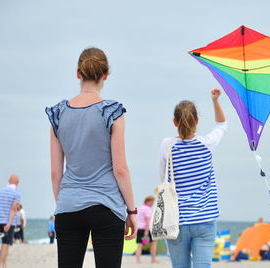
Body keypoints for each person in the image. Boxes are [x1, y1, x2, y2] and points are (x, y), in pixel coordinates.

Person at [45, 47, 137, 268]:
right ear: (105, 75)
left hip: (68, 204)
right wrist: (132, 210)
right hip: (106, 205)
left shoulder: (58, 113)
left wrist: (64, 203)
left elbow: (56, 172)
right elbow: (120, 169)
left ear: (78, 73)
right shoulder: (112, 112)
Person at [159, 89, 226, 267]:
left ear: (175, 122)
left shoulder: (167, 145)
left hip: (176, 220)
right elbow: (221, 124)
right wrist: (215, 100)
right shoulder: (207, 144)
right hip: (205, 219)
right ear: (197, 121)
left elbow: (163, 178)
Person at [0, 174, 21, 268]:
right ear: (17, 183)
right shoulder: (16, 194)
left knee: (5, 246)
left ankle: (4, 265)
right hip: (8, 223)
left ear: (8, 181)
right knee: (5, 245)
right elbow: (13, 209)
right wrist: (9, 223)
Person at [135, 196, 158, 264]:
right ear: (148, 201)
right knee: (154, 243)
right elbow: (148, 221)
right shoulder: (147, 209)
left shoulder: (140, 208)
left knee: (139, 245)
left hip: (139, 229)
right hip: (146, 229)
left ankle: (138, 261)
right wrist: (146, 231)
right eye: (152, 202)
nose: (152, 204)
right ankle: (153, 259)